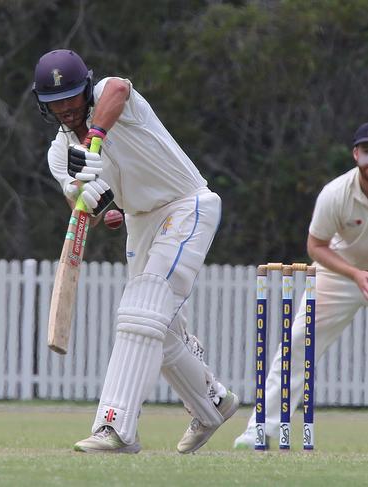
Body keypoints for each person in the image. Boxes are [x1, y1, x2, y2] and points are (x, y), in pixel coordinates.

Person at [32, 49, 239, 454]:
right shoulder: (59, 155)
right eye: (55, 102)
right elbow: (84, 212)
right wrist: (89, 202)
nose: (66, 107)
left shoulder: (112, 96)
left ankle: (116, 428)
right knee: (153, 330)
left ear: (86, 88)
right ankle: (212, 402)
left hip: (186, 205)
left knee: (139, 312)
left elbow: (120, 89)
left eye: (73, 96)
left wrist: (94, 140)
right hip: (140, 223)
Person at [234, 122, 368, 448]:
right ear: (356, 154)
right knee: (297, 343)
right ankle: (260, 429)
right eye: (367, 152)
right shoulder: (336, 193)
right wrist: (356, 275)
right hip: (341, 272)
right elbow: (316, 246)